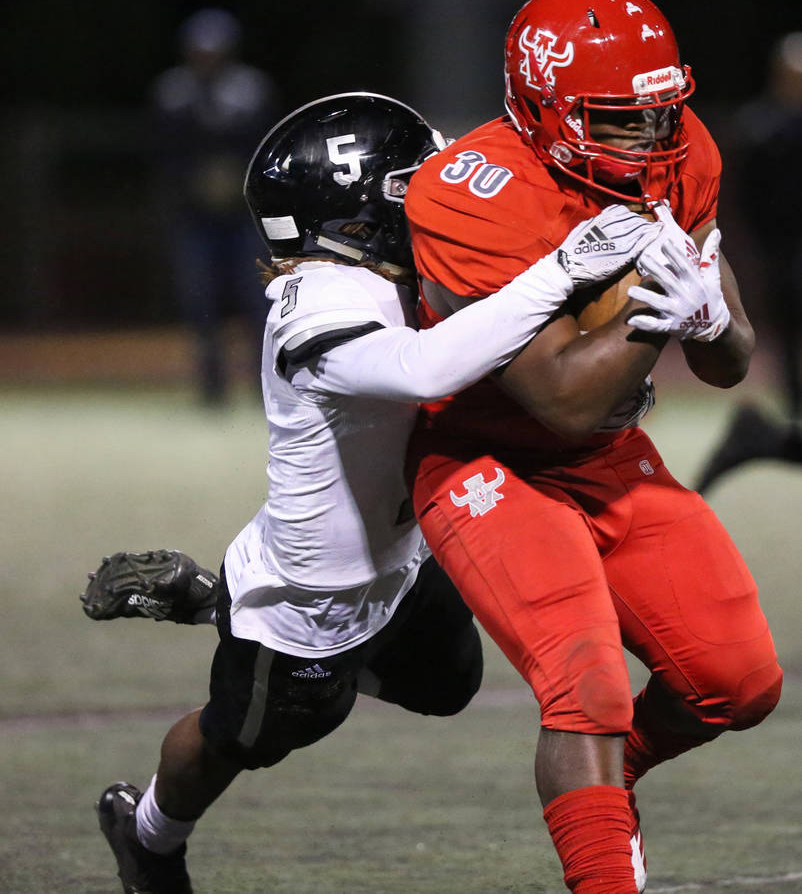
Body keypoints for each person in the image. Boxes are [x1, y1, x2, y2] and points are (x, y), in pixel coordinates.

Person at [92, 91, 661, 894]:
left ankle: (214, 604)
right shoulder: (316, 303)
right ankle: (147, 836)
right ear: (358, 216)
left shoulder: (396, 265)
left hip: (404, 554)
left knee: (450, 686)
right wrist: (565, 268)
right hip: (311, 598)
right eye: (416, 183)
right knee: (244, 739)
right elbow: (428, 368)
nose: (441, 193)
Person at [403, 0, 783, 894]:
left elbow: (731, 360)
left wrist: (708, 316)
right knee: (588, 690)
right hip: (482, 455)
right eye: (620, 120)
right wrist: (658, 318)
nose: (652, 141)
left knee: (737, 680)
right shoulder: (471, 193)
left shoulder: (680, 150)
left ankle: (607, 795)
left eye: (660, 116)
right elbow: (561, 399)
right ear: (544, 108)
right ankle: (603, 861)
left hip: (609, 454)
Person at [150, 7, 282, 405]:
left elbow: (265, 150)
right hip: (195, 215)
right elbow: (162, 154)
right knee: (200, 299)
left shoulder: (251, 91)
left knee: (255, 298)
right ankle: (211, 387)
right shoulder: (173, 93)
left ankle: (264, 384)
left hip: (243, 215)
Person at [694, 30, 802, 492]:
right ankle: (766, 436)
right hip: (789, 257)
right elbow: (755, 204)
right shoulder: (764, 127)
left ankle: (761, 439)